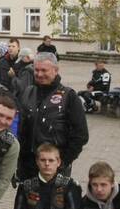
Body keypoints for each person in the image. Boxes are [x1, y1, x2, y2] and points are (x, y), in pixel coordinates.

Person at [17, 52, 89, 180]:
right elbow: (20, 129)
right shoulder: (28, 92)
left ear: (55, 70)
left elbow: (81, 135)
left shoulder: (69, 96)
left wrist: (63, 161)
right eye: (36, 70)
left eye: (44, 70)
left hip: (54, 167)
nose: (39, 74)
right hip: (28, 166)